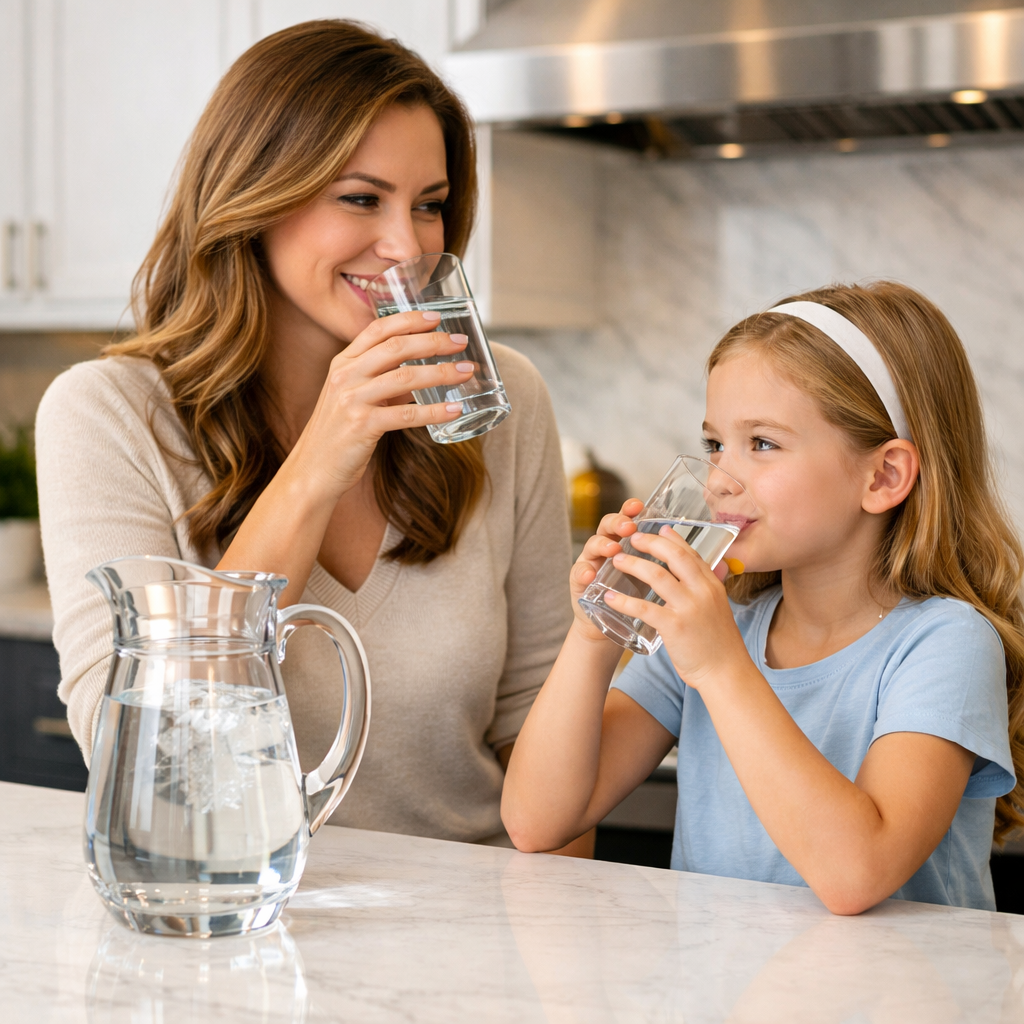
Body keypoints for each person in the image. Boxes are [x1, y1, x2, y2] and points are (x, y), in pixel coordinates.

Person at [36, 20, 578, 851]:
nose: (406, 244)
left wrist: (555, 924)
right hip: (233, 902)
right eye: (361, 198)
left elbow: (545, 725)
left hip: (479, 909)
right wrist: (319, 463)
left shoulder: (500, 402)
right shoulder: (107, 414)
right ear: (254, 199)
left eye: (429, 205)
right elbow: (138, 753)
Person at [502, 281, 1024, 910]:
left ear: (883, 476)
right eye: (714, 444)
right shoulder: (719, 628)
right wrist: (594, 632)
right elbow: (537, 821)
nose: (720, 479)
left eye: (763, 444)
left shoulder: (946, 644)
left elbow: (857, 874)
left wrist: (721, 668)